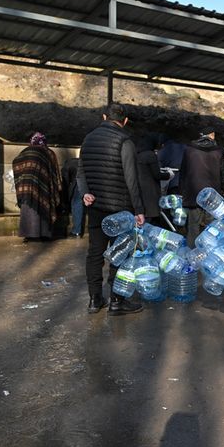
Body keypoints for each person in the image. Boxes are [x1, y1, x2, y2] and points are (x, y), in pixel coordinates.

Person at [77, 103, 146, 316]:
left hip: (96, 206)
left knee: (95, 254)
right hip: (120, 209)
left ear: (104, 116)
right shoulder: (125, 142)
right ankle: (117, 301)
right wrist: (138, 209)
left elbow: (80, 172)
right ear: (125, 121)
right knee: (120, 255)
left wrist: (85, 193)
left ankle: (94, 300)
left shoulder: (88, 139)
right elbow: (131, 179)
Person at [179, 126, 224, 247]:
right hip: (212, 196)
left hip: (193, 194)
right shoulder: (217, 151)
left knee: (193, 229)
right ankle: (209, 255)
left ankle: (192, 256)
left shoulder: (189, 150)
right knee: (212, 229)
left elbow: (183, 173)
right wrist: (223, 192)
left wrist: (182, 192)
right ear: (211, 135)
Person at [12, 131, 62, 241]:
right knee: (44, 207)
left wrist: (23, 178)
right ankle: (44, 234)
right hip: (45, 187)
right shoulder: (49, 153)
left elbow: (15, 162)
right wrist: (56, 184)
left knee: (28, 209)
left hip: (26, 188)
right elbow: (55, 172)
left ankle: (28, 235)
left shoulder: (25, 152)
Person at [135, 132, 172, 225]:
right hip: (150, 193)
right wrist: (169, 174)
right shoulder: (150, 155)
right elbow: (157, 175)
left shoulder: (137, 154)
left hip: (139, 191)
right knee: (152, 221)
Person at [61, 157, 85, 237]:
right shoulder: (78, 162)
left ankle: (76, 231)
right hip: (89, 180)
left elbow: (65, 181)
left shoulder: (67, 165)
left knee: (76, 204)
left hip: (78, 183)